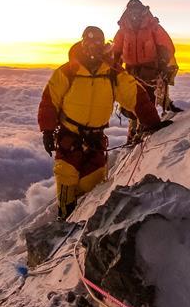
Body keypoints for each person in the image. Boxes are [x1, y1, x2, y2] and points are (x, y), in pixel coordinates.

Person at [38, 26, 169, 221]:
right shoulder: (68, 71)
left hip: (95, 141)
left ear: (102, 44)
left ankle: (82, 224)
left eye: (97, 42)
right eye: (88, 42)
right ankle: (65, 219)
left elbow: (135, 96)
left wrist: (151, 121)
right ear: (82, 43)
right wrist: (47, 131)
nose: (92, 46)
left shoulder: (113, 73)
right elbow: (50, 100)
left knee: (92, 187)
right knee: (66, 178)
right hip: (69, 137)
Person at [113, 0, 181, 139]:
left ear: (142, 11)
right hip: (130, 70)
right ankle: (134, 130)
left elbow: (167, 46)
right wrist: (113, 66)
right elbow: (116, 50)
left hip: (150, 69)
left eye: (137, 10)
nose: (134, 13)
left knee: (147, 98)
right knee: (132, 99)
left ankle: (144, 129)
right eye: (132, 10)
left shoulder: (152, 26)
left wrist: (164, 64)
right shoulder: (123, 30)